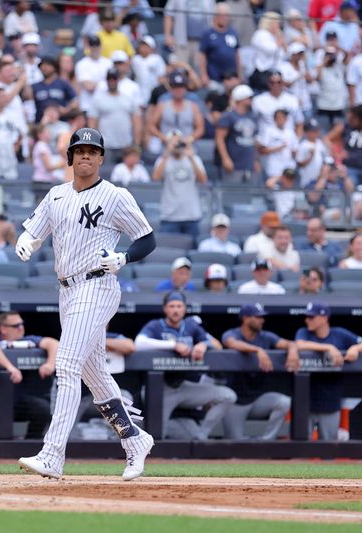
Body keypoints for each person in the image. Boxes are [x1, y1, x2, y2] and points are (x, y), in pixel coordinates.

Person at [16, 127, 157, 481]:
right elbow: (35, 230)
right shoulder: (56, 195)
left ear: (101, 158)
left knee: (65, 365)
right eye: (80, 150)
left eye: (93, 151)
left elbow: (148, 239)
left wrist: (124, 258)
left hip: (97, 284)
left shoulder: (115, 195)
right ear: (70, 156)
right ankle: (134, 439)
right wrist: (27, 240)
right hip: (67, 290)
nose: (86, 156)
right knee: (95, 373)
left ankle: (52, 456)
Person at [135, 291, 236, 440]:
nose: (175, 310)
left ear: (184, 309)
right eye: (172, 306)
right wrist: (173, 345)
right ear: (165, 309)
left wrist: (203, 344)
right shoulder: (156, 325)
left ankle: (201, 435)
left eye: (179, 306)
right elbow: (139, 343)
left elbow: (217, 344)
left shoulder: (191, 325)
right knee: (154, 439)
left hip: (182, 387)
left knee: (228, 396)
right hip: (159, 389)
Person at [295, 302, 362, 441]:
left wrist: (355, 349)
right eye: (307, 317)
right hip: (306, 402)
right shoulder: (304, 332)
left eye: (311, 317)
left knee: (328, 449)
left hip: (330, 402)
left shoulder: (339, 334)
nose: (307, 320)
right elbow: (299, 345)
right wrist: (329, 347)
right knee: (302, 448)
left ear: (324, 318)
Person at [221, 304, 298, 441]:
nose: (262, 320)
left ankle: (266, 442)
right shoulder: (233, 333)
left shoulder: (265, 337)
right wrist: (258, 350)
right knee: (234, 445)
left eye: (262, 317)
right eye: (257, 317)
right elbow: (230, 343)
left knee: (284, 402)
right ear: (245, 319)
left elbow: (288, 343)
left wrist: (292, 351)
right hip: (235, 402)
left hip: (258, 399)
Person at [0, 311, 56, 439]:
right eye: (16, 325)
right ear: (3, 328)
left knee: (42, 410)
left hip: (18, 403)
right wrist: (10, 368)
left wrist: (50, 364)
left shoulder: (28, 340)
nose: (21, 328)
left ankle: (31, 445)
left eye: (22, 324)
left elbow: (53, 343)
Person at [153, 133, 207, 239]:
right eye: (173, 142)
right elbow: (155, 178)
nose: (177, 145)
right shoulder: (163, 159)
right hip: (169, 215)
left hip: (191, 215)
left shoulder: (194, 159)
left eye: (179, 141)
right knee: (168, 251)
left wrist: (191, 157)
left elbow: (203, 180)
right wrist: (167, 153)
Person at [148, 71, 204, 156]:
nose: (178, 90)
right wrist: (165, 138)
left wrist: (189, 139)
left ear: (185, 88)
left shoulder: (193, 106)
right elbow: (151, 126)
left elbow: (200, 128)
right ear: (171, 88)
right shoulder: (162, 105)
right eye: (175, 87)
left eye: (181, 87)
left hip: (187, 149)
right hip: (166, 149)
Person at [215, 84, 259, 184]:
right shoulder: (228, 116)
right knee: (232, 195)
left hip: (249, 163)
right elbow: (219, 138)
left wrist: (256, 160)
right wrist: (225, 158)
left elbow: (254, 140)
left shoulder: (253, 116)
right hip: (234, 163)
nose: (251, 100)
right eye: (249, 97)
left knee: (249, 197)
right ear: (241, 98)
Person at [198, 3, 240, 90]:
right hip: (214, 79)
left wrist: (239, 74)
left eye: (226, 15)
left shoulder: (233, 32)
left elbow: (237, 54)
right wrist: (203, 75)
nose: (224, 18)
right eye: (221, 15)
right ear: (215, 16)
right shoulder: (208, 33)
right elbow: (202, 56)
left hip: (232, 79)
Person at [163, 0, 214, 69]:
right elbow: (168, 15)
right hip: (182, 42)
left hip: (202, 43)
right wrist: (168, 36)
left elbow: (214, 18)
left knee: (199, 71)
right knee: (180, 70)